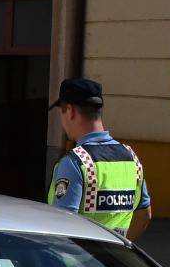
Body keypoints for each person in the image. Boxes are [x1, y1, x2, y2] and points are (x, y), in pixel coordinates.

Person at [47, 77, 151, 241]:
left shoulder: (76, 162)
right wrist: (119, 248)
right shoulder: (131, 158)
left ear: (71, 111)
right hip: (111, 263)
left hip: (75, 264)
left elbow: (62, 225)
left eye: (62, 112)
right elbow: (144, 216)